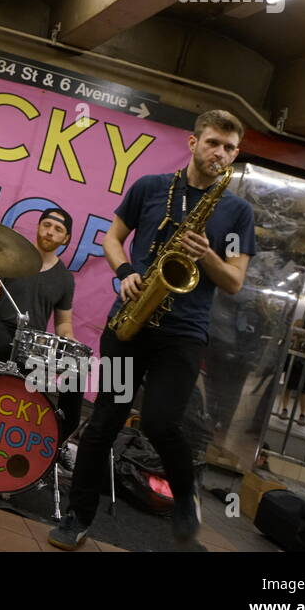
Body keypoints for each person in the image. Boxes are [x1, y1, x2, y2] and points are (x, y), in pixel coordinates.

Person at [48, 109, 255, 550]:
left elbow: (234, 280)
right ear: (192, 142)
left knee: (162, 423)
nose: (219, 152)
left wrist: (207, 256)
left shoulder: (236, 212)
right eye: (213, 142)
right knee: (105, 420)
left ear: (235, 154)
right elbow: (110, 237)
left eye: (229, 147)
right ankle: (77, 517)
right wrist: (124, 272)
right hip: (130, 328)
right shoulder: (150, 187)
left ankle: (185, 496)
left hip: (182, 335)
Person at [0, 206, 80, 464]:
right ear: (38, 227)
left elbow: (63, 324)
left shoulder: (65, 279)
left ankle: (57, 444)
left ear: (67, 238)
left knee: (76, 374)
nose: (50, 231)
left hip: (34, 342)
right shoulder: (9, 258)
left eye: (58, 229)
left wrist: (70, 339)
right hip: (0, 328)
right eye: (46, 225)